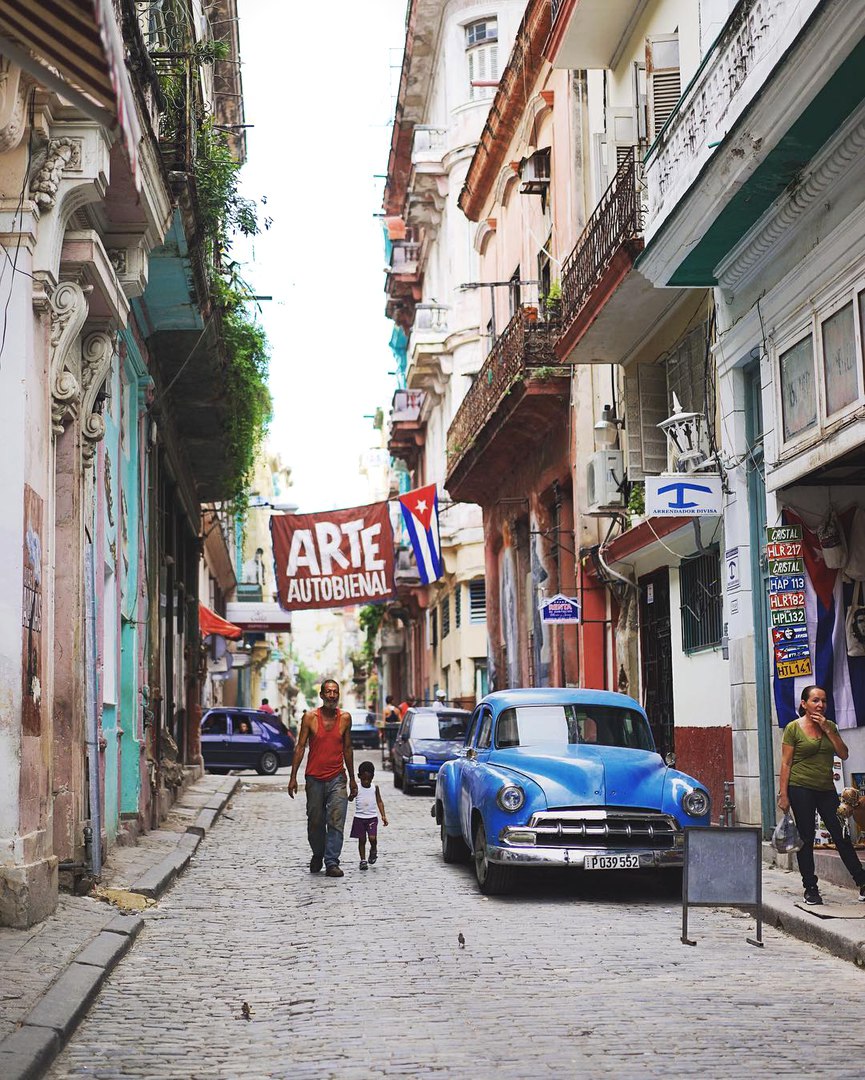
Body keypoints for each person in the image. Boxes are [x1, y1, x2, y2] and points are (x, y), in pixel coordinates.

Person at [778, 684, 865, 905]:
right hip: (800, 788)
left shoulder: (831, 726)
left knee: (841, 835)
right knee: (806, 838)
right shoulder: (793, 728)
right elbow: (786, 763)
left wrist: (828, 729)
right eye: (815, 700)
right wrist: (783, 794)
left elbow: (843, 754)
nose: (820, 705)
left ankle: (862, 881)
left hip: (826, 789)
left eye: (823, 701)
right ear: (804, 704)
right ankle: (811, 888)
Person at [288, 680, 357, 878]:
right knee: (315, 821)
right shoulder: (310, 718)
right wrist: (293, 777)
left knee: (336, 820)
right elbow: (300, 747)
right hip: (314, 779)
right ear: (321, 695)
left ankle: (332, 861)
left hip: (337, 777)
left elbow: (347, 748)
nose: (332, 695)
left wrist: (352, 779)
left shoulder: (345, 718)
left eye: (335, 692)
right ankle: (318, 853)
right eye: (328, 692)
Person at [350, 761, 388, 870]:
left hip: (372, 817)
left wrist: (383, 815)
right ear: (359, 777)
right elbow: (350, 799)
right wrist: (352, 796)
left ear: (372, 777)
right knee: (361, 840)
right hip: (359, 818)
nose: (366, 781)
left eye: (369, 779)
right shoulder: (356, 788)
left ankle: (373, 848)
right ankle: (363, 860)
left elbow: (379, 801)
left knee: (372, 838)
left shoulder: (374, 788)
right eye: (364, 779)